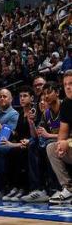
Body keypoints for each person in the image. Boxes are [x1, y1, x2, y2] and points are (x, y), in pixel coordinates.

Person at [46, 70, 72, 204]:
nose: (68, 87)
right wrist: (61, 144)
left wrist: (68, 142)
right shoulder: (66, 104)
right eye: (65, 84)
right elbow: (63, 132)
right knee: (52, 148)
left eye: (71, 83)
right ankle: (68, 189)